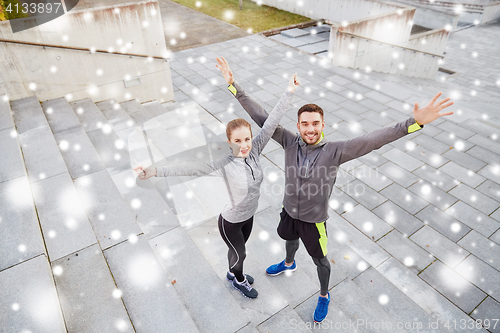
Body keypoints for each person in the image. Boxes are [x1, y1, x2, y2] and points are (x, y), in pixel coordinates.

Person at [216, 56, 454, 321]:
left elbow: (374, 139)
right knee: (288, 238)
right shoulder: (289, 141)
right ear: (298, 126)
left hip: (314, 221)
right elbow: (262, 116)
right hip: (289, 213)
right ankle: (288, 263)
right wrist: (234, 86)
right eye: (304, 123)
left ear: (323, 125)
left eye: (315, 123)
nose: (310, 128)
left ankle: (324, 294)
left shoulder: (336, 151)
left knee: (321, 261)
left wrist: (413, 122)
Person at [133, 73, 300, 299]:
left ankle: (233, 273)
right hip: (231, 221)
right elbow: (190, 168)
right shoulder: (224, 162)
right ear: (229, 142)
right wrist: (154, 170)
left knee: (237, 252)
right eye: (237, 141)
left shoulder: (255, 149)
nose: (244, 145)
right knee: (240, 253)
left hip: (248, 216)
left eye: (247, 139)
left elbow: (270, 123)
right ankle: (239, 280)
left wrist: (289, 91)